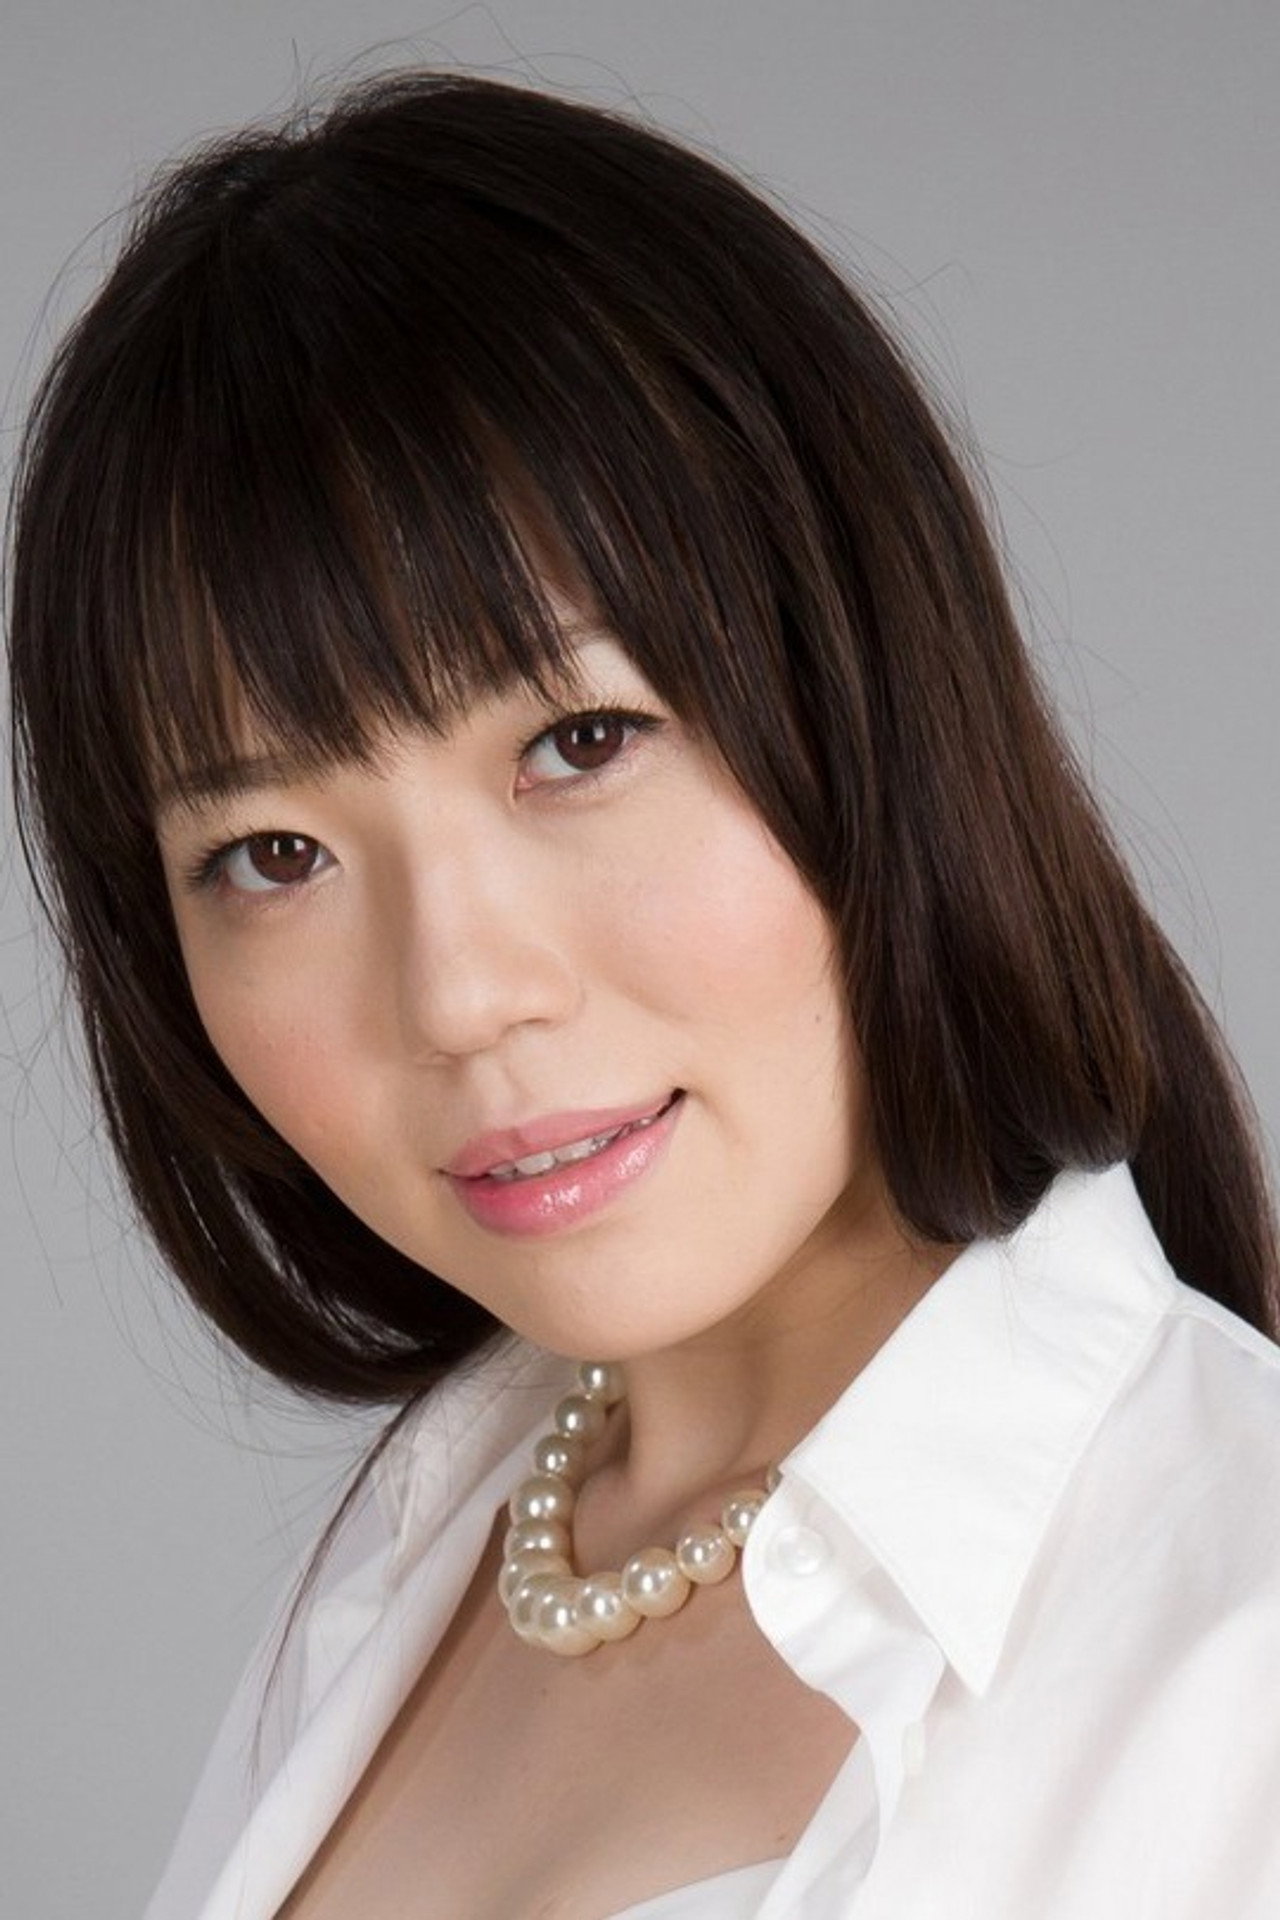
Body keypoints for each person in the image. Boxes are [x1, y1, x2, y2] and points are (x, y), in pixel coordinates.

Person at [8, 68, 1280, 1920]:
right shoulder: (410, 1553)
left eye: (579, 743)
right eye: (273, 854)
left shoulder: (1232, 1639)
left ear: (872, 696)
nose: (460, 994)